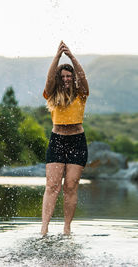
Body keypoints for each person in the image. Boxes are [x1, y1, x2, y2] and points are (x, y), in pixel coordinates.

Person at [41, 40, 89, 236]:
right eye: (63, 76)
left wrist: (71, 57)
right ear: (59, 79)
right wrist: (57, 57)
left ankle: (66, 229)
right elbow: (49, 79)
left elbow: (83, 77)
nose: (67, 79)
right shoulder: (52, 95)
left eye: (70, 76)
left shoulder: (81, 94)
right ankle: (44, 229)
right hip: (57, 140)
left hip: (77, 141)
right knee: (52, 185)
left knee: (70, 186)